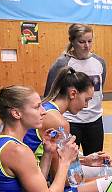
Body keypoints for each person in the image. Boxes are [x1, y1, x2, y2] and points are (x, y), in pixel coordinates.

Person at [24, 67, 110, 179]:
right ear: (73, 94)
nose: (86, 106)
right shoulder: (58, 122)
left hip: (32, 173)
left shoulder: (47, 107)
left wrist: (85, 160)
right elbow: (62, 178)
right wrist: (99, 181)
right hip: (36, 180)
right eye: (86, 100)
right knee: (108, 175)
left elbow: (59, 160)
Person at [44, 24, 107, 155]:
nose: (87, 46)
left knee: (95, 160)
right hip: (71, 121)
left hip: (95, 121)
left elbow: (98, 91)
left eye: (90, 41)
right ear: (72, 41)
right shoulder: (62, 64)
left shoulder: (100, 62)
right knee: (69, 161)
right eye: (82, 42)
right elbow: (49, 95)